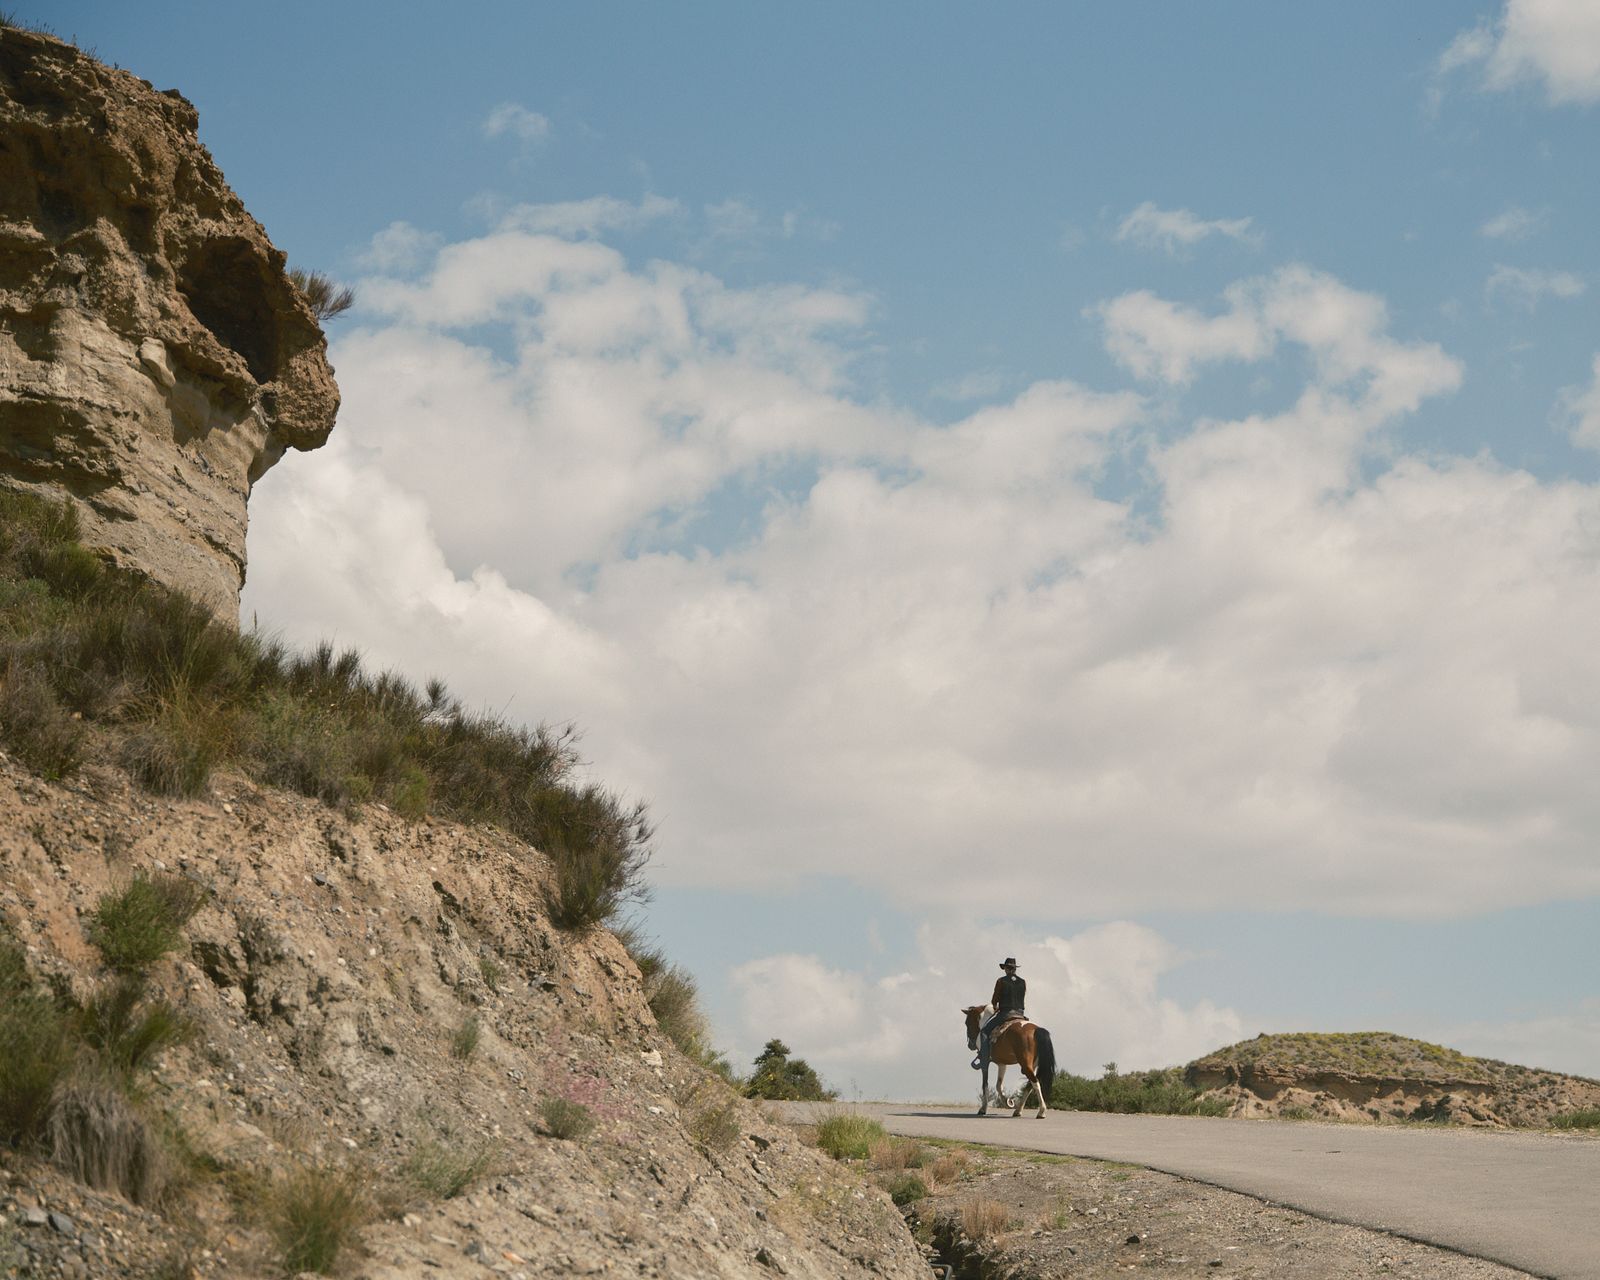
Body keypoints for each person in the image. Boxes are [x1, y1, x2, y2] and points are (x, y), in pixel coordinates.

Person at [979, 957, 1026, 1061]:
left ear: (1006, 968)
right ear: (1014, 969)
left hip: (1006, 1014)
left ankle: (984, 1058)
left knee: (984, 1031)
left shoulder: (1001, 981)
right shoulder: (1023, 982)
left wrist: (995, 1006)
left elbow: (994, 1000)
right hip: (1020, 1014)